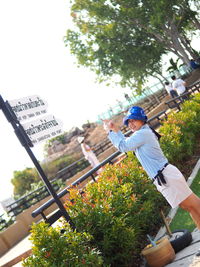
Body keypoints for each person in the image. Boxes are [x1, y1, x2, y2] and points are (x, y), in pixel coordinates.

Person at [103, 106, 200, 229]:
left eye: (133, 120)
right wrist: (115, 130)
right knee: (189, 207)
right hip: (163, 177)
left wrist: (110, 131)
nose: (130, 124)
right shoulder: (142, 133)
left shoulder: (143, 133)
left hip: (166, 176)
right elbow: (126, 142)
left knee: (194, 205)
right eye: (129, 122)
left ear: (141, 119)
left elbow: (123, 146)